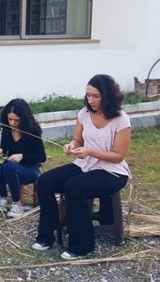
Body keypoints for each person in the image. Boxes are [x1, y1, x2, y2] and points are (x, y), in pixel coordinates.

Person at [33, 74, 131, 260]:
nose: (90, 100)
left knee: (74, 187)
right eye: (88, 95)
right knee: (45, 181)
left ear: (108, 96)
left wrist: (90, 152)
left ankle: (81, 246)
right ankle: (48, 236)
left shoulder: (120, 119)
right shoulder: (84, 114)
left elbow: (119, 156)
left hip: (112, 172)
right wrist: (72, 146)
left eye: (96, 96)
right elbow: (77, 139)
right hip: (85, 165)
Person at [0, 98, 46, 218]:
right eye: (9, 119)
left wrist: (22, 156)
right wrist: (0, 150)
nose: (12, 123)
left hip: (30, 170)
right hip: (11, 168)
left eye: (16, 120)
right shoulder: (7, 130)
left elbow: (42, 157)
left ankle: (17, 205)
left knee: (9, 168)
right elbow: (3, 148)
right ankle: (3, 199)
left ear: (24, 119)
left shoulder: (32, 132)